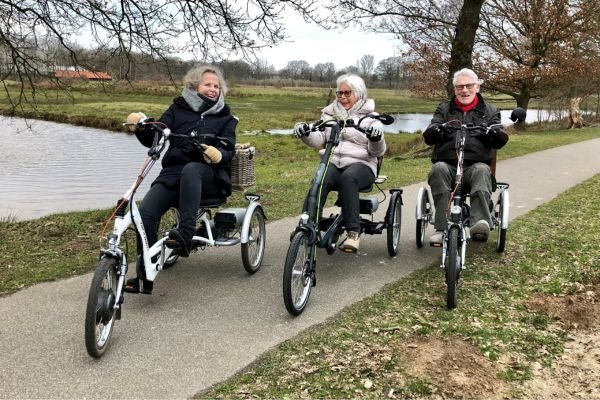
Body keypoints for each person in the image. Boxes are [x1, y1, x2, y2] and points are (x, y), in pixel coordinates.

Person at [124, 65, 237, 294]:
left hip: (209, 175)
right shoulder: (178, 108)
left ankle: (185, 234)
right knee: (145, 214)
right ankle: (145, 275)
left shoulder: (226, 116)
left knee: (192, 170)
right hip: (173, 174)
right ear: (195, 86)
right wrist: (141, 127)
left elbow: (228, 148)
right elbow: (160, 132)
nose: (213, 89)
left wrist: (219, 154)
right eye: (208, 84)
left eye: (217, 86)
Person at [293, 73, 386, 253]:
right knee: (321, 178)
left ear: (358, 94)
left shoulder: (372, 118)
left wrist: (376, 138)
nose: (342, 97)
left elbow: (378, 151)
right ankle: (306, 226)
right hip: (334, 161)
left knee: (349, 178)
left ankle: (353, 233)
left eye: (347, 93)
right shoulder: (329, 114)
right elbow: (318, 139)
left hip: (363, 164)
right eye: (339, 93)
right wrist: (305, 133)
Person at [423, 68, 508, 245]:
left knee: (482, 171)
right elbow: (430, 133)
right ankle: (441, 227)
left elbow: (500, 136)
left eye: (469, 85)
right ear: (454, 89)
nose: (464, 90)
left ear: (477, 87)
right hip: (448, 165)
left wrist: (494, 133)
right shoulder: (444, 109)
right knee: (438, 170)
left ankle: (479, 224)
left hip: (475, 165)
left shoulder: (490, 110)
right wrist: (436, 130)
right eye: (460, 86)